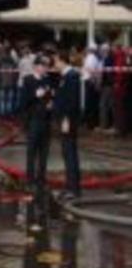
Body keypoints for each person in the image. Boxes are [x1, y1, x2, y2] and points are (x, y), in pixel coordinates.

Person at [19, 55, 54, 194]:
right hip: (33, 120)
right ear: (36, 66)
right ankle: (30, 180)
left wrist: (51, 102)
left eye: (46, 66)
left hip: (46, 119)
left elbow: (51, 95)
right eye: (43, 65)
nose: (45, 68)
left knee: (44, 152)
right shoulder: (28, 80)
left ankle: (42, 179)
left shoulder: (47, 80)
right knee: (32, 151)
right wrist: (35, 95)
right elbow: (23, 102)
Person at [53, 52, 81, 198]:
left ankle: (73, 189)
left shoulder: (71, 76)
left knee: (70, 153)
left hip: (68, 120)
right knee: (66, 153)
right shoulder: (65, 76)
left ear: (62, 61)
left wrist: (66, 119)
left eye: (56, 61)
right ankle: (70, 186)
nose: (54, 65)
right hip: (64, 119)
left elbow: (72, 101)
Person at [82, 44, 102, 129]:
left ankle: (89, 123)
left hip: (89, 81)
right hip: (90, 81)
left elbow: (91, 70)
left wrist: (93, 81)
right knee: (91, 103)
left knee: (89, 103)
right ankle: (90, 123)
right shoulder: (93, 58)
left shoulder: (90, 58)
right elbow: (92, 71)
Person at [0, 45, 18, 117]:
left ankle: (2, 113)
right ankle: (9, 113)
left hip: (2, 82)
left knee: (2, 99)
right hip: (10, 82)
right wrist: (14, 81)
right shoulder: (13, 61)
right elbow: (15, 73)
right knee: (9, 99)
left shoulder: (0, 61)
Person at [99, 43, 115, 132]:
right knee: (107, 105)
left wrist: (104, 83)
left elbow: (108, 74)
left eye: (102, 50)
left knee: (105, 105)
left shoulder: (108, 59)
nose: (101, 52)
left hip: (107, 85)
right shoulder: (106, 59)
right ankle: (106, 125)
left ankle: (105, 125)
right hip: (108, 85)